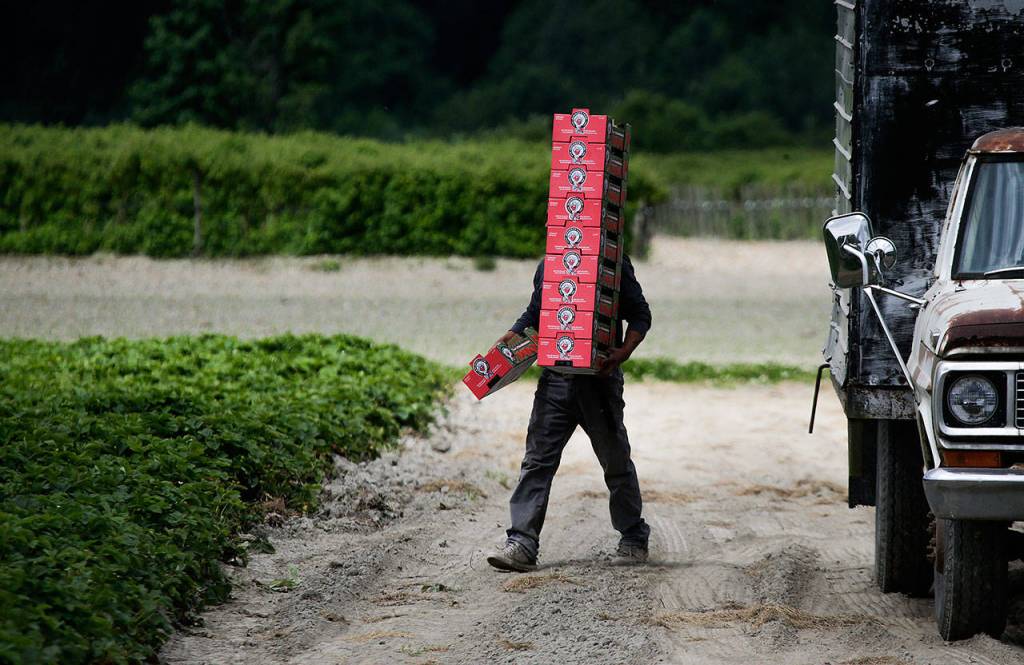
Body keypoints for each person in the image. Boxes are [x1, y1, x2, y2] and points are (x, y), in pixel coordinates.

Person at [486, 254, 652, 572]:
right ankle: (521, 543)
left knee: (615, 460)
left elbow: (641, 316)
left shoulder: (614, 264)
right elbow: (537, 312)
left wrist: (623, 353)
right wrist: (515, 331)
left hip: (599, 383)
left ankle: (633, 537)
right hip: (555, 382)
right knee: (537, 461)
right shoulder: (549, 265)